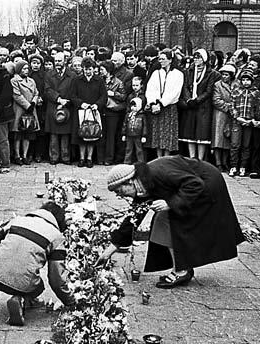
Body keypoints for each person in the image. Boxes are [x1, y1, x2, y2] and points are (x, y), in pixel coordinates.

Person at [99, 158, 244, 288]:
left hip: (207, 185)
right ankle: (181, 267)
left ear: (129, 182)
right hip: (192, 186)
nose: (120, 195)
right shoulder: (142, 183)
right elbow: (133, 219)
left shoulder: (158, 173)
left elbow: (194, 184)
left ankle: (182, 270)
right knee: (162, 220)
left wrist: (170, 203)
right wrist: (108, 252)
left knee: (170, 220)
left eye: (119, 191)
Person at [0, 201, 74, 326]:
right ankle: (21, 298)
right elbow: (55, 279)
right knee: (39, 286)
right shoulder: (56, 237)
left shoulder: (17, 220)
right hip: (23, 285)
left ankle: (23, 299)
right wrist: (70, 302)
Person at [178, 49, 220, 161]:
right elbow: (186, 86)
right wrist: (188, 100)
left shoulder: (211, 73)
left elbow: (209, 90)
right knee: (190, 132)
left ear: (205, 59)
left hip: (203, 106)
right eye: (195, 57)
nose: (196, 60)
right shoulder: (188, 71)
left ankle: (200, 159)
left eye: (199, 57)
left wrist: (197, 100)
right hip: (191, 105)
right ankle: (192, 157)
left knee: (201, 134)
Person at [145, 48, 184, 158]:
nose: (161, 61)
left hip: (169, 107)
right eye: (159, 59)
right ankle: (158, 158)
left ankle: (166, 158)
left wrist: (162, 103)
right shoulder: (156, 73)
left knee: (168, 135)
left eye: (163, 59)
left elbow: (175, 92)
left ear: (170, 60)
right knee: (158, 134)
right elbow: (150, 89)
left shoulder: (178, 74)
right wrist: (153, 103)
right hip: (156, 107)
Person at [70, 57, 107, 167]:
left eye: (90, 69)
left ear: (93, 69)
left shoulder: (99, 80)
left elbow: (104, 95)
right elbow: (73, 95)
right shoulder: (77, 80)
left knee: (92, 134)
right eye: (86, 69)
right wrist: (81, 103)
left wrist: (97, 104)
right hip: (81, 111)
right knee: (82, 134)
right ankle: (82, 158)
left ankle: (89, 158)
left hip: (94, 110)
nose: (88, 71)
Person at [44, 52, 76, 165]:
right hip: (53, 105)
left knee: (65, 133)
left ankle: (66, 157)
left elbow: (74, 90)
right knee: (53, 133)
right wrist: (58, 99)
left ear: (65, 61)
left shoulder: (72, 75)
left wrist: (65, 101)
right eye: (56, 61)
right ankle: (54, 157)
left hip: (67, 106)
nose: (57, 63)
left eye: (59, 61)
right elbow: (47, 90)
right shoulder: (48, 74)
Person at [229, 68, 258, 177]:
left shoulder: (255, 92)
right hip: (237, 121)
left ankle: (243, 167)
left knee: (246, 145)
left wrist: (251, 120)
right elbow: (232, 106)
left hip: (249, 122)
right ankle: (233, 166)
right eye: (244, 80)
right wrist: (237, 117)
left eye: (248, 80)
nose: (246, 82)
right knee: (235, 144)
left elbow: (256, 108)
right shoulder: (236, 91)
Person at [10, 59, 40, 166]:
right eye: (24, 68)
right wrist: (27, 105)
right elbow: (16, 95)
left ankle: (25, 155)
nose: (26, 70)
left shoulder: (31, 81)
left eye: (27, 68)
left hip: (31, 109)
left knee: (28, 133)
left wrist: (33, 102)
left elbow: (36, 93)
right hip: (19, 109)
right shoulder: (14, 80)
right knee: (18, 133)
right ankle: (17, 156)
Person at [212, 63, 236, 171]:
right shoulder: (218, 85)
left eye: (227, 75)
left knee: (228, 139)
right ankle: (218, 163)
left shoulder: (236, 84)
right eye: (223, 74)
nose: (224, 77)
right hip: (220, 114)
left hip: (232, 115)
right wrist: (228, 106)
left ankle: (225, 162)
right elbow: (216, 100)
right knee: (218, 139)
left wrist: (234, 107)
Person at [121, 97, 147, 164]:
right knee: (128, 149)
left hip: (138, 135)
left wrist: (144, 135)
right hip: (129, 135)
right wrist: (123, 134)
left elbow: (144, 126)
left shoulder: (142, 116)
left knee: (139, 149)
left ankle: (141, 162)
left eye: (135, 106)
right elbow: (124, 124)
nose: (133, 108)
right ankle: (127, 161)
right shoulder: (128, 115)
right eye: (132, 106)